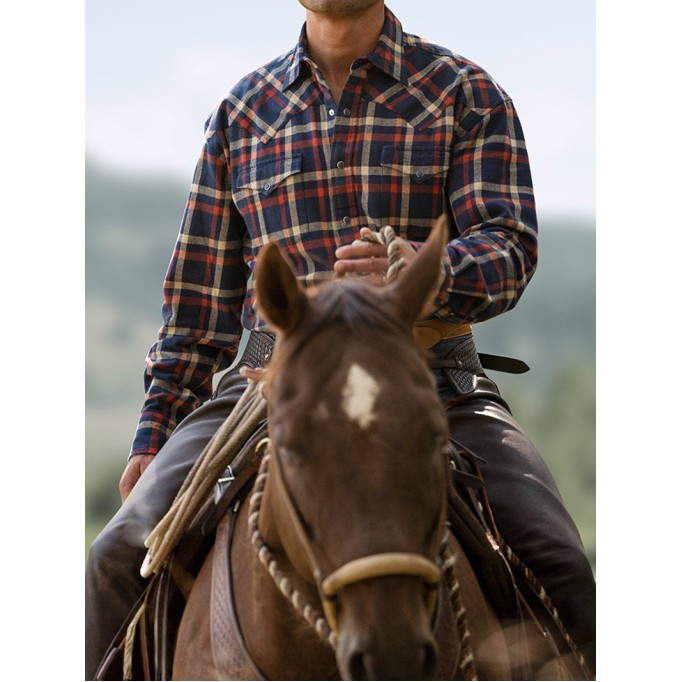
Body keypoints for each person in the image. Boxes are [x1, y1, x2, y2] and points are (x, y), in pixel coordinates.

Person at [85, 1, 596, 678]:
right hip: (266, 386)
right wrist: (153, 438)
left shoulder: (466, 93)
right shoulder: (242, 114)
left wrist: (424, 270)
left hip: (431, 379)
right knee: (114, 560)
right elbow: (195, 310)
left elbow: (510, 247)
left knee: (560, 564)